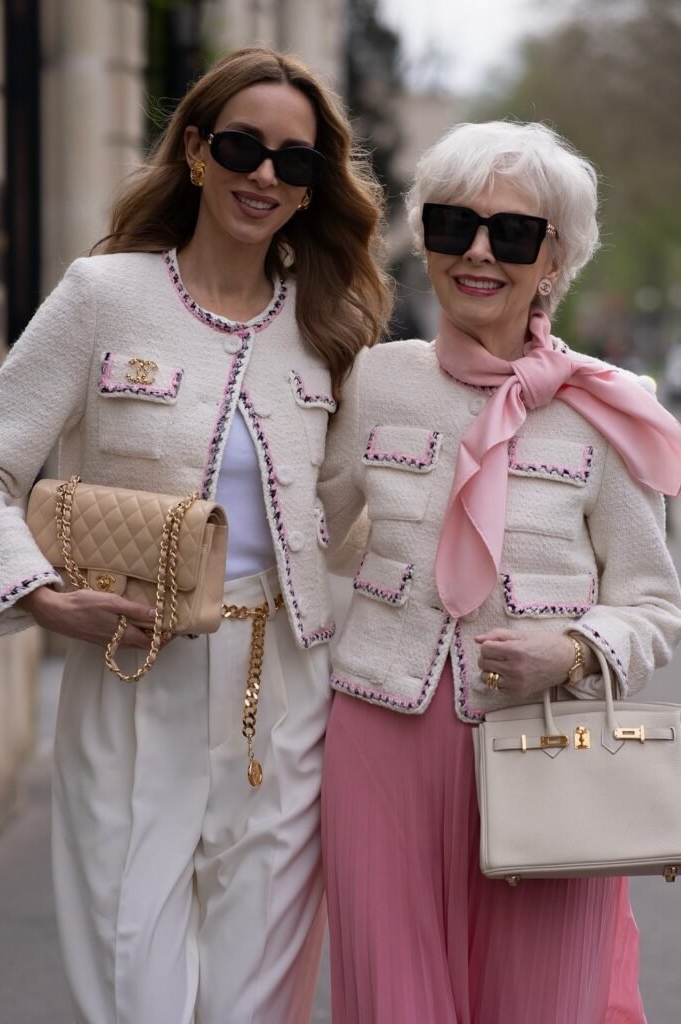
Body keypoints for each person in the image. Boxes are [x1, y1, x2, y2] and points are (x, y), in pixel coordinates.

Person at [0, 46, 390, 1024]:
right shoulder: (103, 296)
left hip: (286, 692)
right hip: (133, 666)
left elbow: (350, 525)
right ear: (195, 151)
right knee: (134, 976)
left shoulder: (329, 327)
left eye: (292, 163)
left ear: (310, 191)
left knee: (256, 991)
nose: (263, 174)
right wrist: (41, 596)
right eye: (242, 147)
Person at [319, 120, 681, 1023]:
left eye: (511, 234)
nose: (477, 253)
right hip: (378, 746)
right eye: (452, 226)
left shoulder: (608, 408)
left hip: (545, 754)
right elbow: (303, 540)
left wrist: (572, 649)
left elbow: (654, 606)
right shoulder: (372, 381)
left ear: (555, 258)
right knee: (389, 1004)